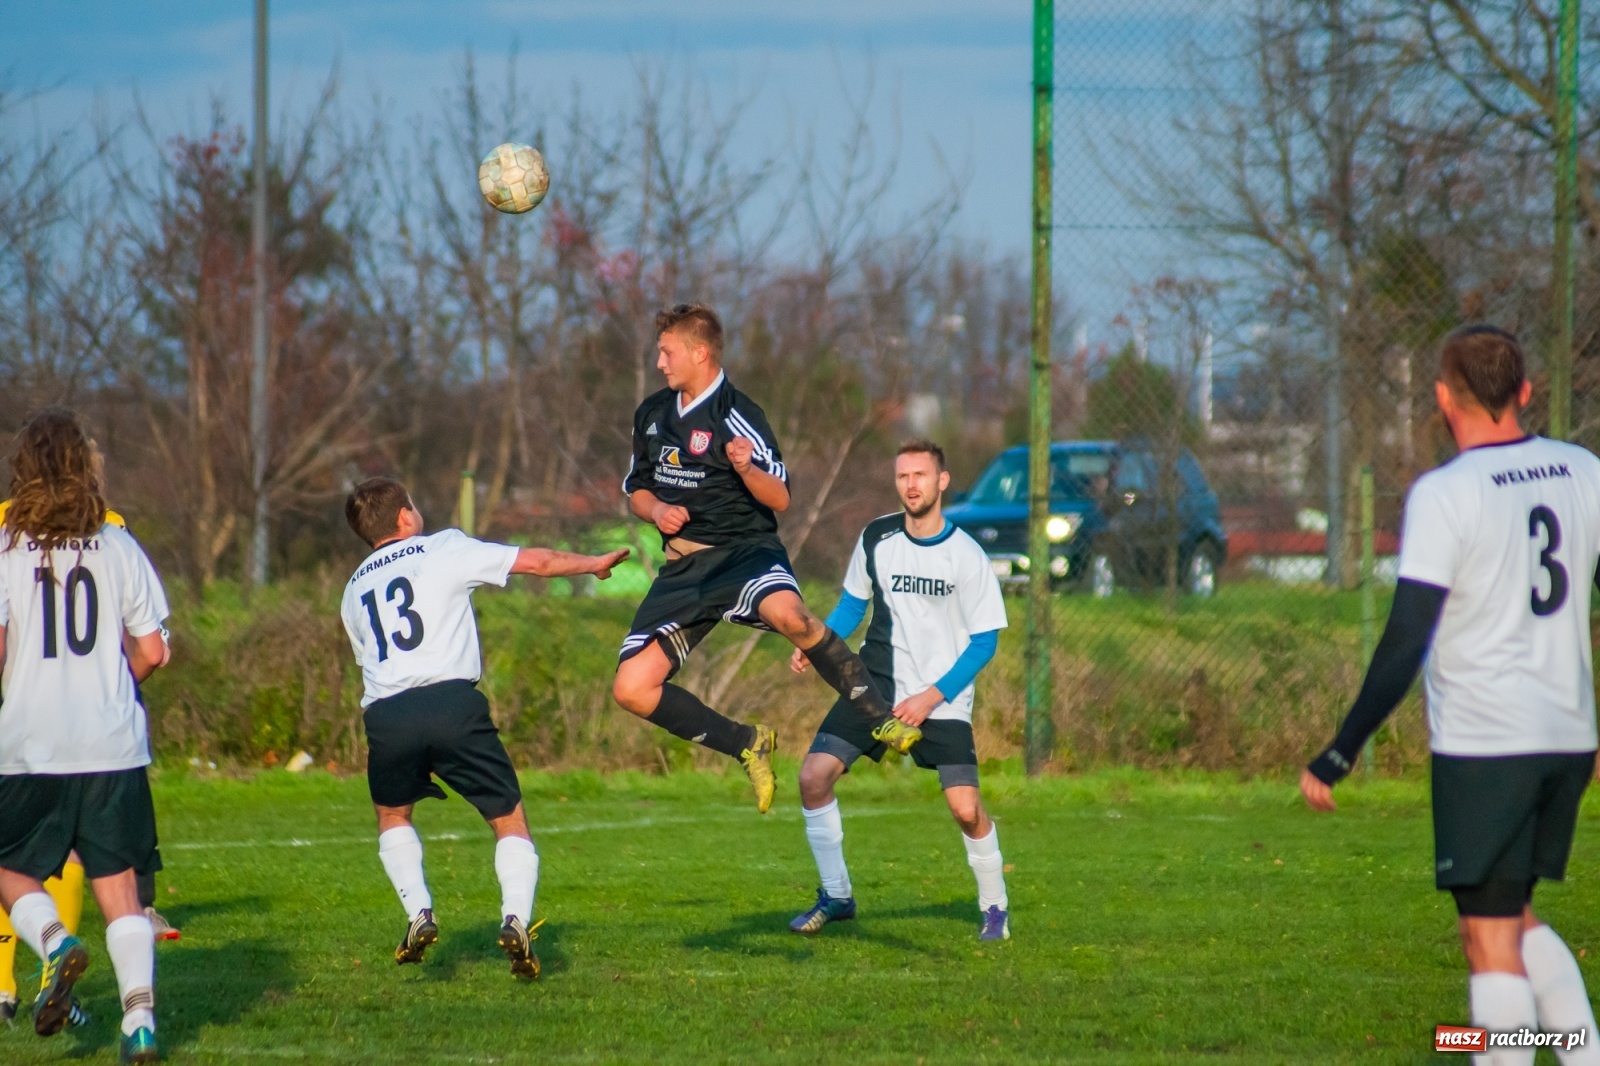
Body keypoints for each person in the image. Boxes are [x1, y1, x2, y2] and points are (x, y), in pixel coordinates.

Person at [1301, 325, 1600, 1066]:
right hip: (1566, 738)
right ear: (1525, 392)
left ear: (1441, 398)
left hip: (1487, 745)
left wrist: (1340, 751)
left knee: (1487, 936)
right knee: (1515, 917)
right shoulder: (1583, 470)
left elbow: (1407, 640)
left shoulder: (1445, 493)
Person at [613, 303, 921, 814]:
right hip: (684, 573)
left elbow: (779, 498)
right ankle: (746, 743)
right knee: (632, 688)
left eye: (667, 352)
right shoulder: (652, 414)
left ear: (699, 352)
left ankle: (878, 717)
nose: (660, 362)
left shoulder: (739, 414)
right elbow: (636, 492)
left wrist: (747, 467)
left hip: (743, 555)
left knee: (791, 615)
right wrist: (658, 509)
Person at [340, 476, 626, 979]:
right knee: (508, 819)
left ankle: (418, 913)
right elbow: (536, 562)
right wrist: (594, 563)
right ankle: (514, 918)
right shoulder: (443, 547)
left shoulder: (353, 588)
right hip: (452, 703)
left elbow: (368, 660)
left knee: (392, 814)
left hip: (386, 713)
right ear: (405, 517)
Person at [0, 408, 172, 1064]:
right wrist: (111, 684)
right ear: (84, 466)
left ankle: (57, 944)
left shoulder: (8, 548)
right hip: (113, 743)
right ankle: (140, 1024)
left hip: (30, 743)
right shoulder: (119, 544)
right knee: (119, 888)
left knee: (11, 870)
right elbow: (153, 651)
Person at [789, 440, 1012, 940]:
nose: (911, 485)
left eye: (921, 475)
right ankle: (837, 896)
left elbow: (984, 644)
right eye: (903, 476)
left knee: (966, 810)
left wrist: (930, 698)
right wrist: (817, 643)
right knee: (812, 778)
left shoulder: (967, 556)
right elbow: (852, 606)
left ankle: (994, 906)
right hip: (874, 686)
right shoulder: (877, 537)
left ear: (942, 482)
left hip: (941, 697)